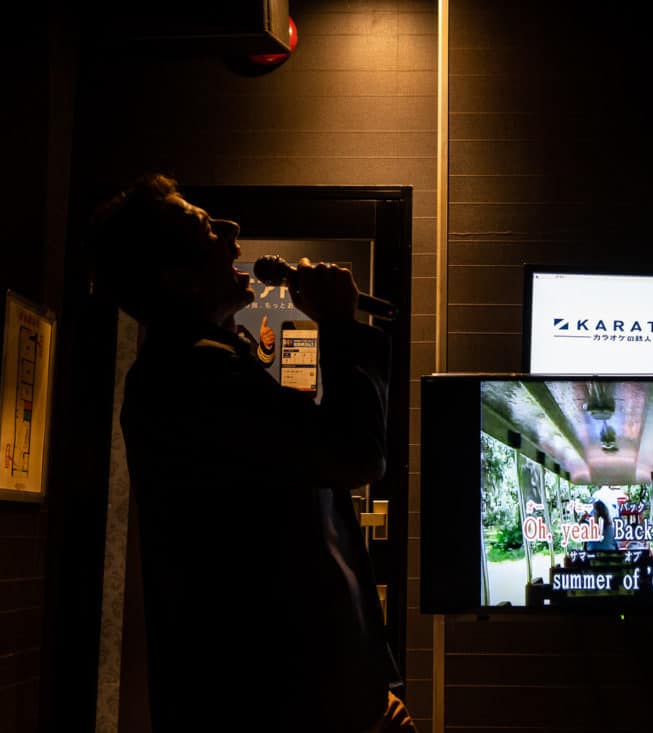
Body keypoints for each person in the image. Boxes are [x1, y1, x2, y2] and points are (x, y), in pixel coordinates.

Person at [87, 174, 415, 732]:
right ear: (177, 280)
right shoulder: (192, 376)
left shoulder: (198, 366)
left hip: (317, 699)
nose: (232, 230)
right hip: (290, 704)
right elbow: (355, 454)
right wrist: (338, 326)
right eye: (206, 226)